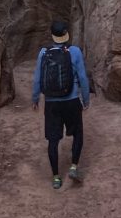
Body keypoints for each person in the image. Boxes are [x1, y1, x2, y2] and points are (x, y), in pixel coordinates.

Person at [32, 19, 90, 189]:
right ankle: (73, 167)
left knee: (53, 140)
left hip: (51, 104)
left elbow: (37, 79)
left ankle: (56, 177)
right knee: (78, 133)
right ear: (66, 34)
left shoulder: (43, 52)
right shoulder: (75, 52)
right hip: (71, 101)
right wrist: (85, 99)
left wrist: (35, 98)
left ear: (52, 36)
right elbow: (83, 79)